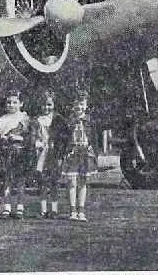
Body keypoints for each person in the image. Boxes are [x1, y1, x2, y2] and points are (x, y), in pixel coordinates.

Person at [31, 91, 68, 219]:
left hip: (54, 153)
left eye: (49, 104)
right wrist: (37, 142)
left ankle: (54, 209)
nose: (46, 108)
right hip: (40, 153)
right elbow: (33, 135)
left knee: (54, 182)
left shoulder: (58, 119)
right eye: (44, 105)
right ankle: (43, 209)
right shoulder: (36, 120)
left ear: (53, 104)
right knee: (42, 182)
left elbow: (64, 138)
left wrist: (59, 151)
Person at [63, 90, 98, 221]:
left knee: (83, 182)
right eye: (76, 104)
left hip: (86, 153)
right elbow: (64, 138)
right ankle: (72, 210)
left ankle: (81, 210)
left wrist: (95, 155)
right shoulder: (69, 122)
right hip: (72, 152)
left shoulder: (89, 121)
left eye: (82, 104)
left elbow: (94, 139)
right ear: (72, 106)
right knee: (72, 181)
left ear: (86, 105)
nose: (79, 107)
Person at [0, 91, 31, 218]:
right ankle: (7, 207)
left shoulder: (24, 118)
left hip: (20, 151)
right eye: (9, 102)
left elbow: (29, 137)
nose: (11, 105)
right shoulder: (2, 119)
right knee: (6, 180)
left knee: (20, 180)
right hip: (6, 151)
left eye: (14, 102)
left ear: (21, 103)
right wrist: (4, 138)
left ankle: (20, 207)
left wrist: (17, 137)